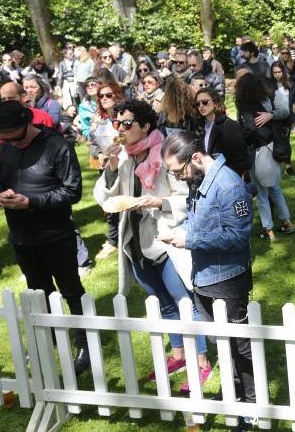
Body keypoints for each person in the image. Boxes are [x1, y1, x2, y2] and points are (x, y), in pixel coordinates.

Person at [93, 100, 212, 392]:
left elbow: (187, 196)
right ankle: (178, 355)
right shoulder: (123, 156)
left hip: (165, 240)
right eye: (117, 123)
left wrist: (158, 202)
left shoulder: (165, 153)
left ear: (146, 126)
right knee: (162, 302)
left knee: (184, 302)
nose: (120, 129)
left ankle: (202, 363)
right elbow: (106, 196)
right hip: (134, 241)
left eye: (127, 123)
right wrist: (110, 166)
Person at [159, 131, 257, 431]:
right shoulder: (199, 180)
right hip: (204, 277)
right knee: (222, 344)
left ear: (196, 158)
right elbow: (197, 220)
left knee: (239, 344)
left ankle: (251, 406)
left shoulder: (230, 186)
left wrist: (190, 240)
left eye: (178, 171)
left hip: (227, 279)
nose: (178, 178)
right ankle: (235, 395)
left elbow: (239, 237)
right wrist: (181, 232)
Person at [0, 100, 91, 374]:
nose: (14, 144)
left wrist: (32, 201)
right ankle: (51, 339)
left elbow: (72, 191)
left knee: (71, 290)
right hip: (22, 236)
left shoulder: (57, 146)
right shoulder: (4, 149)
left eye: (17, 138)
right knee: (39, 292)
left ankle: (85, 343)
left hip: (56, 234)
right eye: (7, 139)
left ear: (28, 124)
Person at [235, 69, 295, 241]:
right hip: (272, 148)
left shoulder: (244, 105)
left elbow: (249, 128)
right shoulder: (265, 100)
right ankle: (287, 222)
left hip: (259, 151)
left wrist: (241, 140)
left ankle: (268, 229)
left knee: (262, 194)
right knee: (275, 188)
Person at [90, 80, 125, 261]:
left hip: (125, 164)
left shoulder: (125, 115)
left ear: (117, 95)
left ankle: (123, 237)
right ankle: (112, 240)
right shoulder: (98, 119)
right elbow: (92, 142)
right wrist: (99, 155)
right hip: (106, 166)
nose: (104, 98)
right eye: (100, 95)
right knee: (109, 204)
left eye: (108, 95)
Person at [196, 88, 249, 177]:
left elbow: (240, 158)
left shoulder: (229, 125)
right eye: (197, 104)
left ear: (215, 103)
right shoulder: (199, 127)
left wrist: (231, 176)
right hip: (207, 177)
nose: (201, 106)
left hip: (227, 177)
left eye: (205, 102)